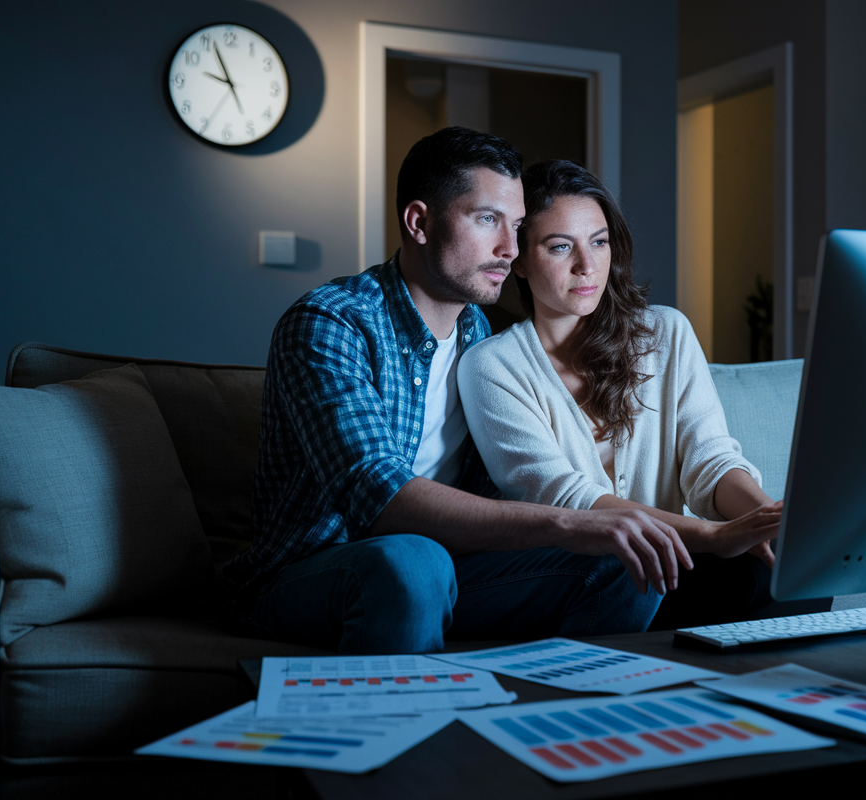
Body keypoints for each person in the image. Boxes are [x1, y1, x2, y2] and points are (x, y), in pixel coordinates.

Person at [222, 128, 703, 655]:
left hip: (448, 569)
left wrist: (610, 522)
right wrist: (571, 522)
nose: (509, 248)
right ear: (419, 222)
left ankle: (556, 717)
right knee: (412, 559)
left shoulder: (481, 336)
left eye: (517, 226)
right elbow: (379, 498)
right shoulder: (330, 323)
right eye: (487, 220)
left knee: (623, 556)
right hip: (312, 572)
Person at [458, 159, 793, 629]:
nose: (586, 265)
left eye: (599, 242)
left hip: (677, 570)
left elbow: (711, 460)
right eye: (560, 247)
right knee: (620, 565)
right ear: (520, 259)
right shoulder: (491, 366)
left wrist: (768, 521)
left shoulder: (666, 332)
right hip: (582, 581)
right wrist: (713, 536)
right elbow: (564, 498)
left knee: (788, 571)